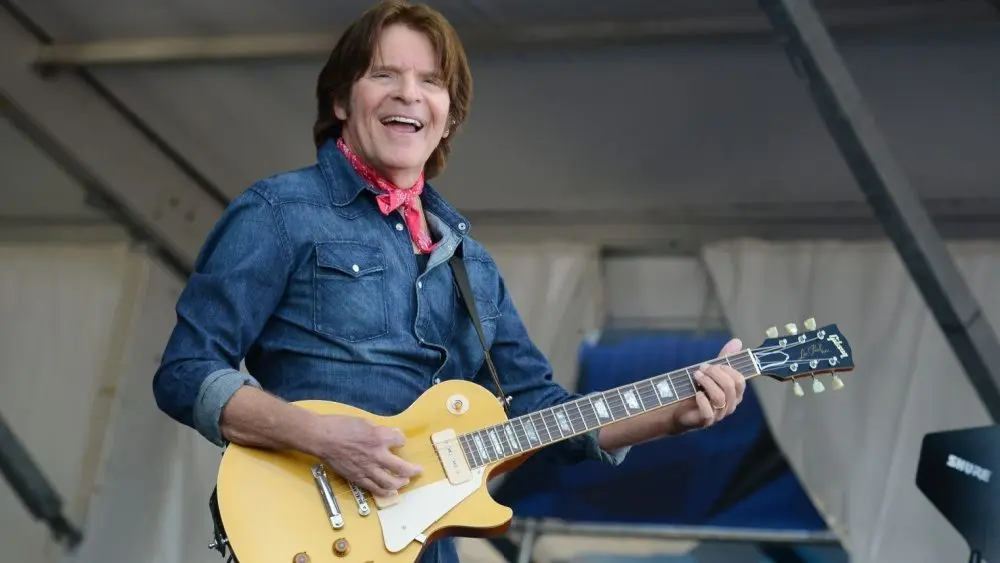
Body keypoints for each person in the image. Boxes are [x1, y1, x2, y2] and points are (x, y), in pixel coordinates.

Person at [152, 1, 747, 561]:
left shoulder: (469, 261)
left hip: (427, 545)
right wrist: (321, 436)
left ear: (449, 115)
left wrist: (673, 414)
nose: (408, 93)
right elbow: (186, 372)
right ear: (340, 100)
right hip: (306, 529)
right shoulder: (279, 212)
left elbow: (542, 410)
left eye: (431, 81)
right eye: (384, 74)